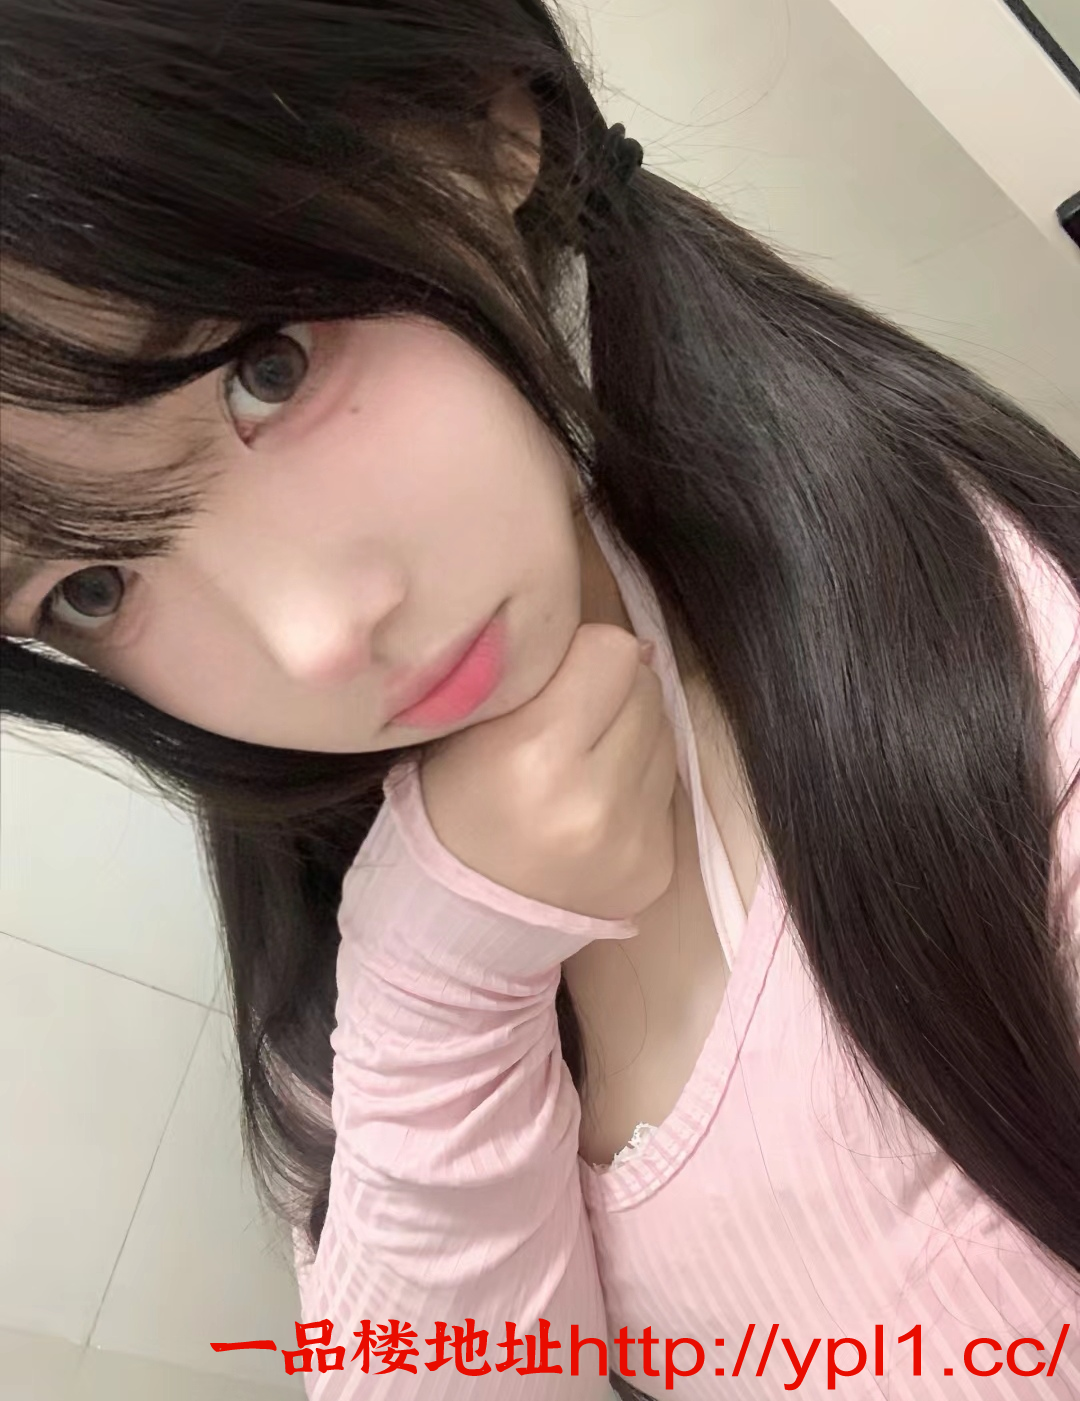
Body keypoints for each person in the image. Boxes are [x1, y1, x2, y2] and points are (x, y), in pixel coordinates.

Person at [2, 3, 1078, 1397]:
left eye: (269, 367)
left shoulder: (1016, 681)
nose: (313, 641)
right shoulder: (360, 923)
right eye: (88, 588)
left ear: (482, 127)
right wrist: (440, 981)